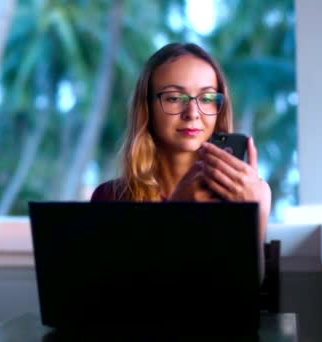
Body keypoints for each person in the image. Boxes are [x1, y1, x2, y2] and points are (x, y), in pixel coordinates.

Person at [91, 42, 271, 280]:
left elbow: (246, 291)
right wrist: (175, 214)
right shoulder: (112, 197)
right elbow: (116, 297)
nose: (193, 113)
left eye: (207, 98)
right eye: (175, 98)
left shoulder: (247, 192)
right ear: (147, 109)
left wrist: (253, 218)